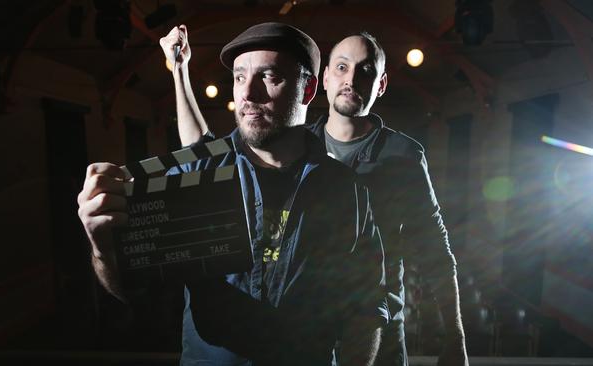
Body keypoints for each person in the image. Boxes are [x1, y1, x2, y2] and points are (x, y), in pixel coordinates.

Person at [79, 22, 388, 366]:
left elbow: (366, 305)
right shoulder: (196, 173)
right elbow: (134, 291)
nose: (248, 94)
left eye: (269, 77)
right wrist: (104, 249)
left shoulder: (346, 189)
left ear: (308, 89)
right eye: (240, 78)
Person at [160, 26, 468, 366]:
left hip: (374, 330)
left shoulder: (402, 156)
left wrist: (454, 336)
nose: (351, 79)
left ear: (381, 84)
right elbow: (204, 152)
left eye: (365, 70)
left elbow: (435, 250)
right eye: (341, 66)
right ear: (322, 79)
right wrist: (180, 72)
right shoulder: (291, 140)